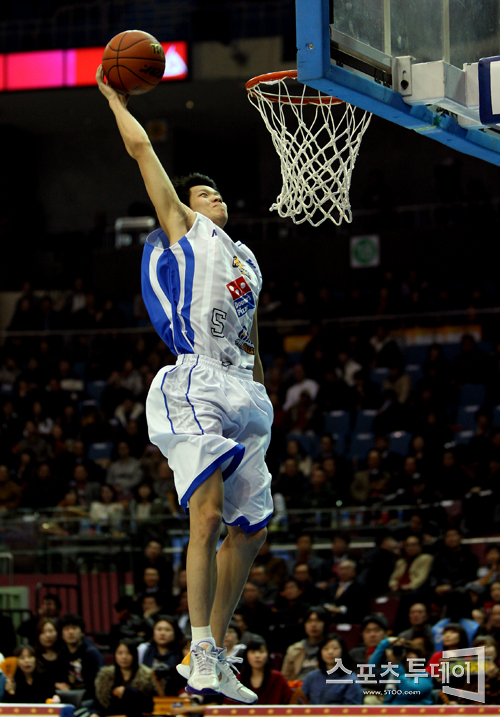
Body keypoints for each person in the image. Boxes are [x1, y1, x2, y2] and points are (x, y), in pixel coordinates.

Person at [97, 65, 273, 705]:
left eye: (217, 195)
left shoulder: (248, 260)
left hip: (245, 390)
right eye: (205, 194)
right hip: (195, 378)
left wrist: (262, 394)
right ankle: (198, 648)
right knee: (205, 514)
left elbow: (253, 339)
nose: (214, 198)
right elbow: (142, 150)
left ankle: (216, 651)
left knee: (250, 530)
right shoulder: (184, 229)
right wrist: (114, 100)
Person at [90, 640, 156, 717]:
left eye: (128, 653)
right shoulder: (105, 676)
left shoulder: (146, 676)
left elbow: (148, 706)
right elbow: (99, 704)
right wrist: (94, 714)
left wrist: (128, 691)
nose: (124, 657)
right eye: (120, 653)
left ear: (134, 655)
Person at [300, 635, 363, 705]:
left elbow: (353, 709)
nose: (330, 652)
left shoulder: (350, 679)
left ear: (342, 651)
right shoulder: (311, 677)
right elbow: (301, 703)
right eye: (326, 648)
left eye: (335, 648)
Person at [55, 613, 104, 702]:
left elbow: (96, 684)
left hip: (89, 699)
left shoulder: (91, 653)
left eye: (74, 628)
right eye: (66, 629)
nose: (70, 632)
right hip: (68, 697)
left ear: (82, 632)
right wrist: (58, 684)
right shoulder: (61, 654)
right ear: (61, 634)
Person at [137, 615, 185, 696]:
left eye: (167, 630)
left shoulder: (181, 652)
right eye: (159, 629)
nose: (162, 633)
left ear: (175, 633)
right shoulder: (143, 650)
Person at [281, 607, 330, 681]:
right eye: (309, 621)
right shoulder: (294, 649)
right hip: (297, 688)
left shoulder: (332, 648)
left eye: (318, 621)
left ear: (325, 623)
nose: (313, 625)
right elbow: (285, 678)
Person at [239, 637, 292, 704]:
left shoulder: (277, 678)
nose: (257, 656)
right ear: (246, 655)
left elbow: (290, 702)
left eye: (261, 652)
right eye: (253, 652)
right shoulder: (238, 679)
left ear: (267, 655)